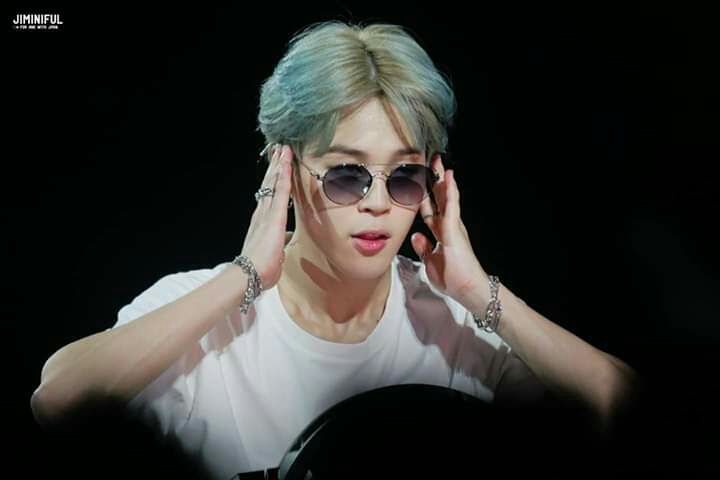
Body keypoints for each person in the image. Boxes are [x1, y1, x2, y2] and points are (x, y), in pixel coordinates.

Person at [31, 20, 638, 479]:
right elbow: (58, 402)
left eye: (404, 176)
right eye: (348, 175)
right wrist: (245, 275)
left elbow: (624, 408)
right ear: (286, 172)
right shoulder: (199, 315)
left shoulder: (458, 326)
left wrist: (479, 293)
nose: (377, 203)